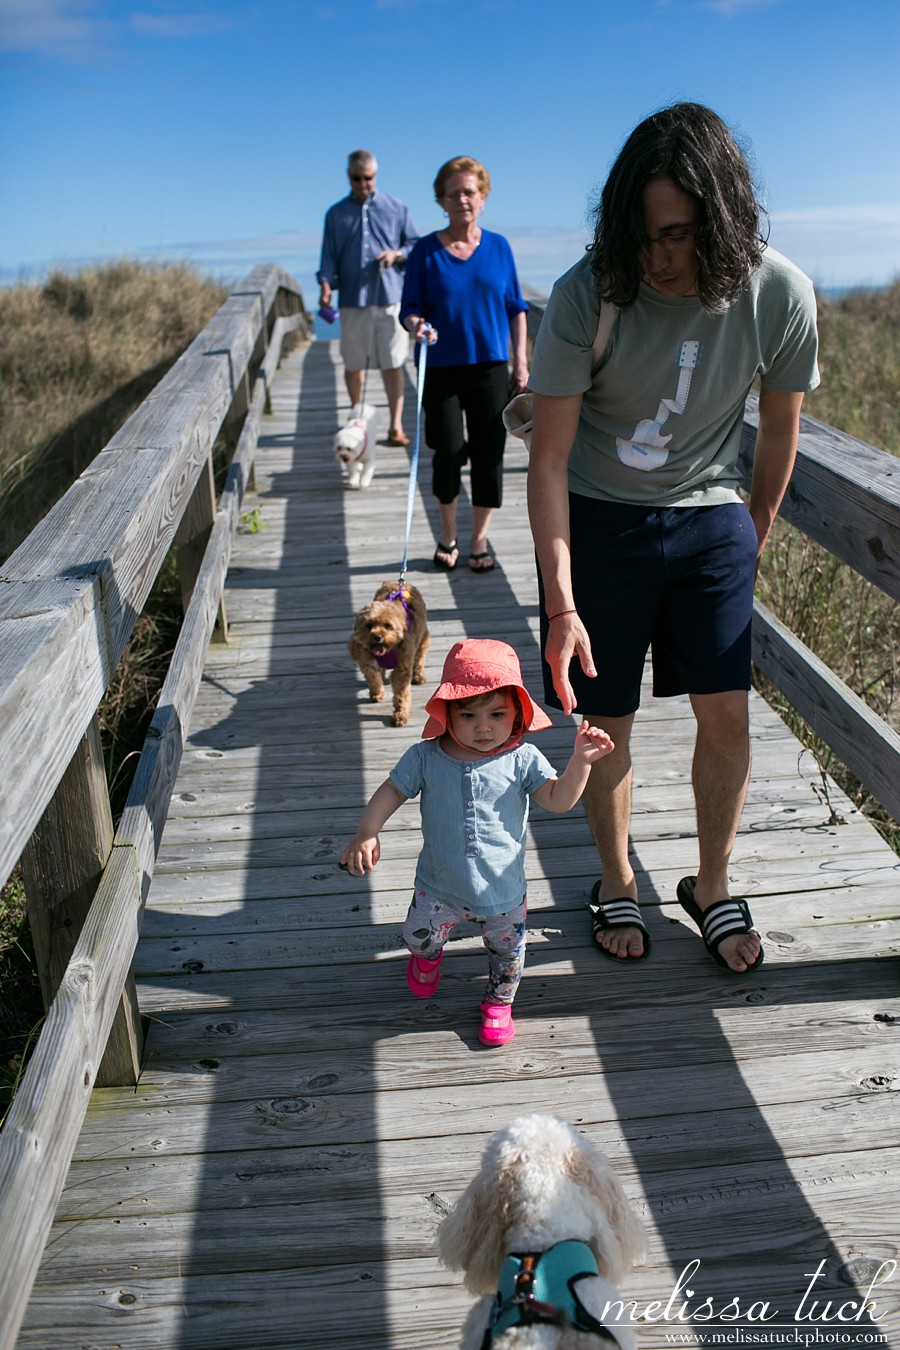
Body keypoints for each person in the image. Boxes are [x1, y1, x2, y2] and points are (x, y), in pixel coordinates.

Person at [526, 103, 820, 974]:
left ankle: (712, 882)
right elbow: (545, 463)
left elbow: (778, 428)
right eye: (644, 235)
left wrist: (753, 528)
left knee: (726, 710)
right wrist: (561, 603)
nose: (660, 258)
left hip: (712, 514)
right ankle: (615, 880)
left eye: (681, 236)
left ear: (724, 219)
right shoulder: (589, 294)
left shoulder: (780, 295)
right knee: (605, 720)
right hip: (600, 514)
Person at [340, 639, 614, 1045]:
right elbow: (392, 790)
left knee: (508, 956)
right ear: (446, 712)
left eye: (497, 714)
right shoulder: (425, 756)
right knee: (418, 937)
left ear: (518, 713)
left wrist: (581, 764)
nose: (483, 726)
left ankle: (498, 1003)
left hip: (503, 893)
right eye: (468, 714)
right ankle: (428, 959)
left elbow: (558, 800)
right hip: (438, 885)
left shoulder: (523, 758)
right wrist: (367, 831)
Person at [399, 156, 529, 573]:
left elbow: (516, 307)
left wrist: (520, 362)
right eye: (453, 193)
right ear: (441, 200)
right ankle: (449, 533)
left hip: (491, 365)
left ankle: (478, 540)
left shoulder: (499, 247)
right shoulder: (425, 251)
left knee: (490, 454)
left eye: (469, 192)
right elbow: (410, 308)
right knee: (448, 450)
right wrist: (417, 324)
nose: (462, 199)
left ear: (483, 197)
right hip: (439, 367)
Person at [318, 149, 419, 445]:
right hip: (351, 300)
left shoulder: (397, 208)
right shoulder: (335, 214)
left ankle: (396, 425)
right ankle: (357, 420)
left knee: (393, 363)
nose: (363, 184)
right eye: (357, 178)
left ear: (376, 176)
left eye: (368, 178)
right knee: (353, 364)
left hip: (390, 298)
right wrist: (325, 284)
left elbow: (415, 244)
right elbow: (327, 257)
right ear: (348, 177)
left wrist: (396, 254)